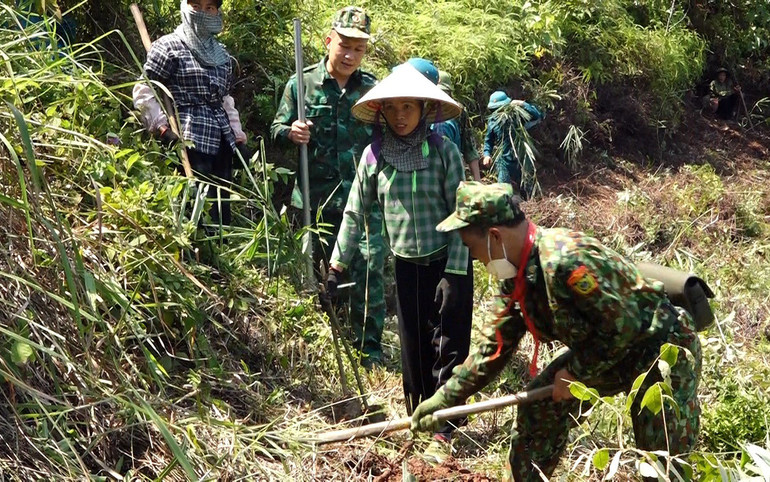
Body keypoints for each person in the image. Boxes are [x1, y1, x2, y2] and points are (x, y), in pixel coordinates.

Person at [411, 182, 702, 481]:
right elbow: (493, 348)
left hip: (660, 349)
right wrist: (446, 398)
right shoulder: (516, 278)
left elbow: (623, 326)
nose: (477, 259)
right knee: (539, 412)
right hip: (604, 351)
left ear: (495, 236)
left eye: (473, 249)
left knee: (662, 460)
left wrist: (575, 372)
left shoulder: (565, 261)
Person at [328, 63, 473, 463]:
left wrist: (455, 272)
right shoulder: (373, 157)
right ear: (381, 112)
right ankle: (421, 418)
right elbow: (354, 213)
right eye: (391, 108)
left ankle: (445, 427)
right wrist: (337, 265)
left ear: (424, 109)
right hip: (407, 265)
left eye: (408, 107)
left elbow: (461, 214)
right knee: (414, 349)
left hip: (447, 262)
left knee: (448, 346)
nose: (400, 116)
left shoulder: (443, 152)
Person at [270, 7, 386, 368]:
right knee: (317, 275)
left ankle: (368, 349)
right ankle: (320, 346)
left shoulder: (373, 91)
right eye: (344, 46)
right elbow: (275, 129)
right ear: (328, 41)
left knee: (368, 270)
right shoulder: (301, 84)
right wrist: (291, 132)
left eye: (358, 49)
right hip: (316, 199)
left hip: (362, 200)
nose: (350, 55)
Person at [133, 0, 250, 226]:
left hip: (221, 143)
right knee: (192, 215)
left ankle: (219, 247)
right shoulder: (168, 47)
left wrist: (237, 136)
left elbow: (225, 100)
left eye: (209, 7)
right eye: (195, 5)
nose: (201, 12)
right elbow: (144, 90)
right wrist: (161, 128)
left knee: (219, 215)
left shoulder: (222, 56)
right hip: (187, 142)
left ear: (216, 12)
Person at [405, 58, 481, 181]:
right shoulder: (417, 112)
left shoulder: (458, 111)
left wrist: (478, 180)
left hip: (450, 167)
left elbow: (469, 147)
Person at [481, 91, 544, 198]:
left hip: (522, 158)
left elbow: (537, 115)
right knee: (503, 191)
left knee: (528, 189)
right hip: (504, 160)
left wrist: (522, 104)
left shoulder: (517, 116)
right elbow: (488, 141)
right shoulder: (492, 121)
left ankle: (529, 204)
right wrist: (487, 155)